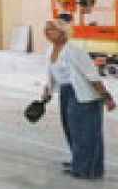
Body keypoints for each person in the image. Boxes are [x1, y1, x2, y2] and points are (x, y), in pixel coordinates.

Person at [40, 19, 114, 179]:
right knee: (71, 130)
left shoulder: (74, 51)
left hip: (84, 95)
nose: (46, 32)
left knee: (86, 132)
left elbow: (92, 76)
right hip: (66, 92)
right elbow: (52, 73)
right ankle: (78, 161)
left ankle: (89, 170)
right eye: (45, 29)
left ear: (62, 31)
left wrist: (106, 97)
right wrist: (47, 90)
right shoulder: (50, 49)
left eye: (51, 29)